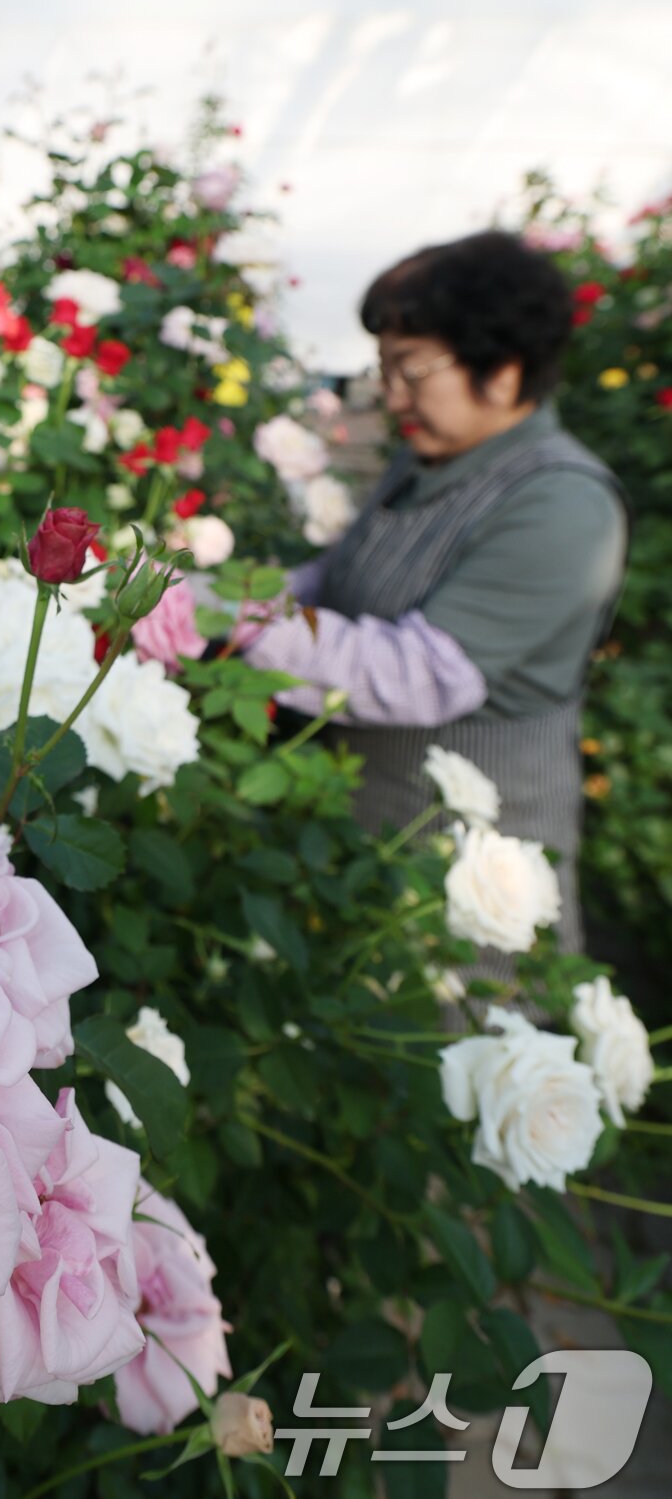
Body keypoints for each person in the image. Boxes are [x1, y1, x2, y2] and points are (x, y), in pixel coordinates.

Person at [237, 231, 627, 960]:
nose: (391, 397)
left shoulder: (562, 504)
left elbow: (415, 672)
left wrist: (235, 620)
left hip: (467, 881)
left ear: (504, 372)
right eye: (385, 371)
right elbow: (342, 574)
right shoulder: (428, 464)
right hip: (367, 837)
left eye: (411, 371)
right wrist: (238, 588)